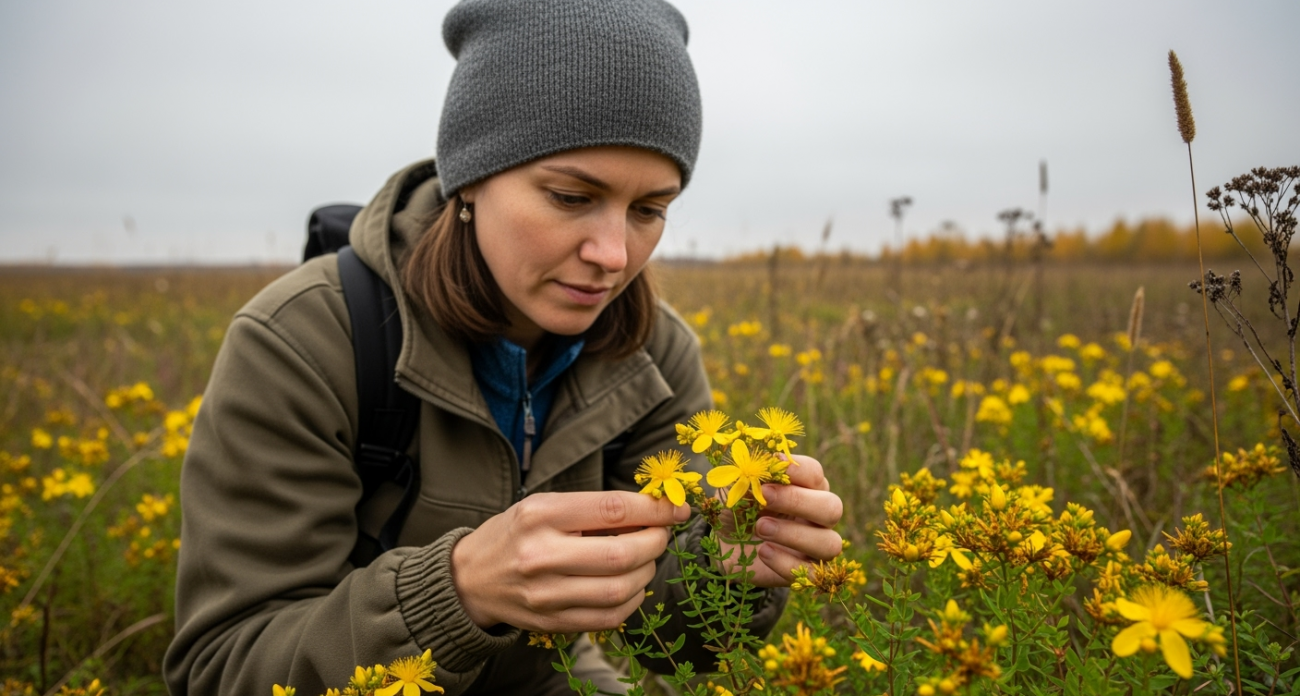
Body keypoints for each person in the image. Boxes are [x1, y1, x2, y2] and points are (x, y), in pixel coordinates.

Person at [163, 1, 845, 694]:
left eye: (649, 211)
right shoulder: (302, 342)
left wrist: (725, 569)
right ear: (470, 180)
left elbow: (675, 644)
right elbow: (223, 667)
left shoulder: (653, 356)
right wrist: (457, 593)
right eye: (571, 196)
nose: (613, 255)